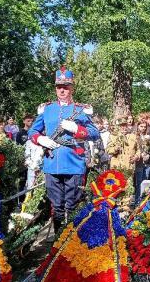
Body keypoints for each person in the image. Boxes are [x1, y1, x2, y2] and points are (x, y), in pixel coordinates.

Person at [28, 66, 100, 230]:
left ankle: (71, 241)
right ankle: (57, 240)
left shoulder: (80, 110)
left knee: (72, 205)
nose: (62, 90)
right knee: (57, 206)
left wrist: (76, 129)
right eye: (59, 87)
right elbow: (32, 131)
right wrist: (41, 139)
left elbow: (95, 133)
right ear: (55, 88)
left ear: (72, 88)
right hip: (52, 163)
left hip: (74, 162)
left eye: (66, 86)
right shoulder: (47, 109)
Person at [132, 118, 150, 206]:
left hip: (146, 163)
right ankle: (137, 201)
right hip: (138, 163)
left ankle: (143, 202)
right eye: (141, 126)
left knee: (145, 182)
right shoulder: (135, 136)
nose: (143, 128)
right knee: (139, 182)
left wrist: (148, 153)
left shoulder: (148, 136)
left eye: (145, 127)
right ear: (138, 126)